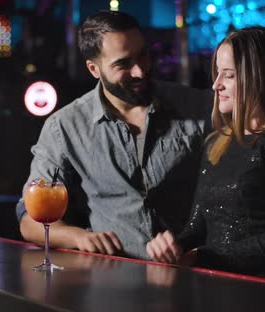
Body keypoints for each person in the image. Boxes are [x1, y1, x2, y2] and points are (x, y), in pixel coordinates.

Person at [15, 10, 212, 260]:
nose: (140, 70)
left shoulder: (196, 105)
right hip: (115, 281)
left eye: (143, 55)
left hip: (194, 271)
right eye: (123, 64)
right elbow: (30, 221)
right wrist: (79, 237)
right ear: (94, 69)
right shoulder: (65, 127)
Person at [146, 27, 265, 280]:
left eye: (229, 75)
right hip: (213, 287)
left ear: (260, 78)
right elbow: (197, 226)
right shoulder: (218, 140)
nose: (216, 85)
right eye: (217, 74)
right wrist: (171, 247)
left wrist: (202, 258)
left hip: (262, 292)